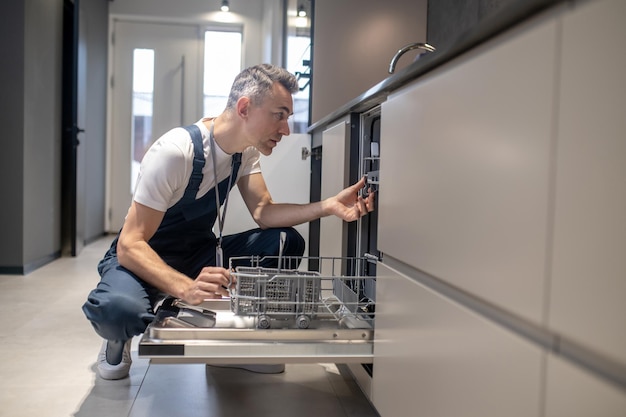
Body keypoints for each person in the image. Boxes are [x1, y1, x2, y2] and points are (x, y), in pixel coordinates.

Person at [82, 64, 375, 380]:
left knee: (285, 240)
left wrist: (327, 206)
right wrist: (185, 286)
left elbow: (264, 212)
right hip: (142, 258)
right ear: (245, 107)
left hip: (196, 255)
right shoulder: (176, 152)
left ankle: (234, 347)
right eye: (280, 115)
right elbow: (129, 244)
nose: (287, 129)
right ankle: (117, 338)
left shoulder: (244, 153)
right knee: (118, 311)